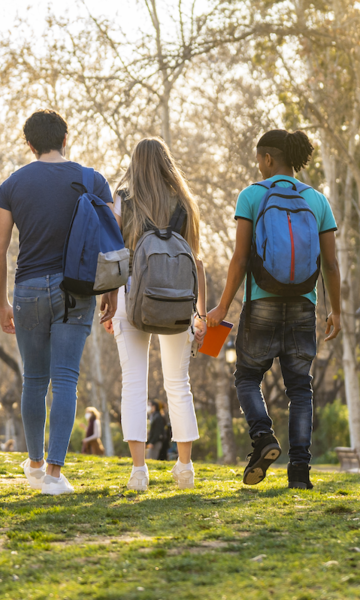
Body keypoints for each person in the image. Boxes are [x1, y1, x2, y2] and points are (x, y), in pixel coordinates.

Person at [206, 129, 342, 490]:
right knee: (300, 388)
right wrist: (336, 311)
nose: (258, 165)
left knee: (248, 377)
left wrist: (221, 306)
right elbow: (330, 265)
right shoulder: (318, 201)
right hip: (303, 304)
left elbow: (239, 258)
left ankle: (263, 437)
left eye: (258, 159)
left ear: (268, 159)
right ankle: (299, 471)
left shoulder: (252, 195)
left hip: (262, 301)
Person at [0, 109, 117, 496]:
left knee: (34, 379)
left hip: (27, 288)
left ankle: (32, 462)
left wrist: (1, 303)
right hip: (75, 289)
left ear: (29, 144)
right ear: (66, 137)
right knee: (64, 378)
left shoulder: (13, 184)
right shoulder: (92, 180)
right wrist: (110, 292)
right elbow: (113, 242)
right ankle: (54, 474)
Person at [106, 138, 207, 491]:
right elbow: (196, 261)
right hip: (179, 301)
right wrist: (202, 314)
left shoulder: (123, 199)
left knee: (134, 382)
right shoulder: (184, 203)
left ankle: (139, 470)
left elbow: (114, 253)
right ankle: (184, 467)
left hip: (131, 298)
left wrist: (108, 300)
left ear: (135, 163)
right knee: (178, 384)